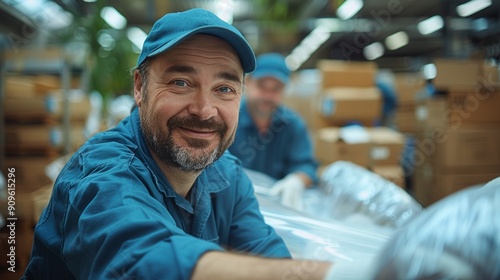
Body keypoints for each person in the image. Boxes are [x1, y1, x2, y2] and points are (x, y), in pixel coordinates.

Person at [22, 8, 332, 280]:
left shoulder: (228, 177)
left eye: (224, 88)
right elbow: (143, 263)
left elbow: (266, 254)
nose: (204, 110)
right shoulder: (104, 172)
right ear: (140, 87)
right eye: (180, 83)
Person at [228, 53, 318, 211]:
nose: (268, 96)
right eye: (262, 86)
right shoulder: (228, 120)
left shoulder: (293, 124)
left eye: (276, 89)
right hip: (232, 205)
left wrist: (297, 180)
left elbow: (306, 165)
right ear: (247, 82)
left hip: (278, 207)